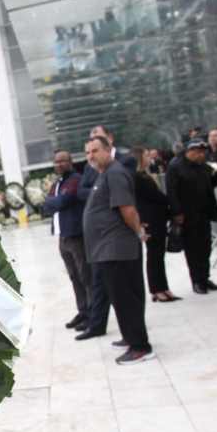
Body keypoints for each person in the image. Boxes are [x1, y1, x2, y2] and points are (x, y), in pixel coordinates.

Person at [81, 136, 153, 364]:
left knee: (126, 298)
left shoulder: (115, 173)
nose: (91, 156)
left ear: (109, 150)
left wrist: (138, 231)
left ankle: (140, 347)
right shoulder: (104, 174)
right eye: (88, 152)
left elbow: (127, 209)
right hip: (108, 249)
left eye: (95, 151)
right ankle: (131, 337)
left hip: (117, 248)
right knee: (121, 298)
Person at [74, 124, 129, 341]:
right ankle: (97, 324)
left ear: (109, 141)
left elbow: (124, 198)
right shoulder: (91, 168)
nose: (91, 154)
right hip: (98, 240)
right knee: (99, 282)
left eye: (96, 145)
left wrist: (99, 190)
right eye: (88, 149)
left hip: (116, 237)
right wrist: (98, 190)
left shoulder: (123, 162)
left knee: (121, 288)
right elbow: (81, 191)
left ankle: (133, 335)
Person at [41, 150, 92, 330]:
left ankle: (93, 314)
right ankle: (83, 310)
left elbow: (62, 202)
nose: (59, 164)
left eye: (62, 161)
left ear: (70, 162)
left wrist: (52, 201)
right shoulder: (57, 183)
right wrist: (52, 201)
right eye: (56, 162)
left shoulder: (75, 180)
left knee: (85, 275)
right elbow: (46, 206)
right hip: (62, 237)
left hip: (76, 236)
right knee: (74, 277)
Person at [166, 139, 217, 294]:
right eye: (198, 152)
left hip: (203, 211)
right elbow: (171, 191)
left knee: (205, 247)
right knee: (193, 249)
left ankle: (205, 277)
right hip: (187, 214)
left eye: (203, 152)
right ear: (190, 151)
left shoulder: (202, 166)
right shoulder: (175, 166)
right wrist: (177, 213)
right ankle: (197, 281)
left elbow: (210, 182)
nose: (201, 155)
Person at [130, 147, 179, 302]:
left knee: (158, 255)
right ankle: (157, 289)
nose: (149, 157)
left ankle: (162, 287)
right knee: (155, 255)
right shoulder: (138, 177)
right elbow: (155, 196)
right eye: (145, 154)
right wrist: (171, 202)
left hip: (156, 218)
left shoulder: (144, 175)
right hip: (150, 219)